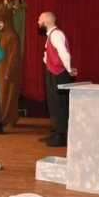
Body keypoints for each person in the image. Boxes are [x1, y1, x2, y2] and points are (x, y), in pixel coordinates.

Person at [38, 12, 77, 147]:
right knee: (53, 103)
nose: (38, 21)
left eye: (40, 19)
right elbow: (48, 54)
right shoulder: (51, 35)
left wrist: (68, 68)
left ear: (47, 21)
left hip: (58, 73)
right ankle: (56, 132)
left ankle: (61, 136)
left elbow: (63, 52)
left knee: (59, 103)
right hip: (52, 72)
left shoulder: (56, 34)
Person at [0, 6, 22, 127]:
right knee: (3, 96)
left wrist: (8, 73)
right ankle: (8, 118)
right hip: (1, 71)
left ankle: (3, 119)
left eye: (1, 22)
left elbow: (14, 57)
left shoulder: (13, 37)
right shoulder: (4, 35)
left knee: (7, 96)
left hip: (8, 73)